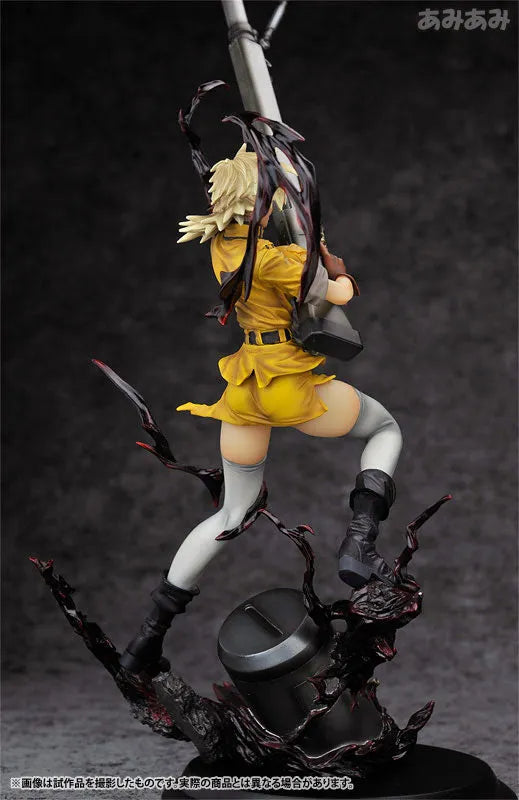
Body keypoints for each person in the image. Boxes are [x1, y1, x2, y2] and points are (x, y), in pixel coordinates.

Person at [119, 145, 402, 676]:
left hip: (245, 389)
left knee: (231, 515)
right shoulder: (278, 259)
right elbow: (337, 294)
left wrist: (276, 184)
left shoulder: (222, 246)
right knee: (385, 430)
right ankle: (359, 541)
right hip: (287, 383)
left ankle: (147, 638)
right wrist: (335, 267)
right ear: (259, 204)